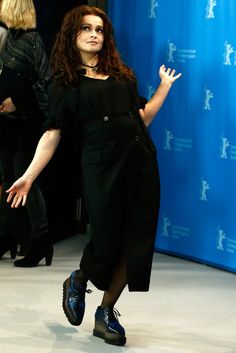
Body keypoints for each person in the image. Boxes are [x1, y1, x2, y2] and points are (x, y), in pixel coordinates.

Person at [6, 5, 181, 346]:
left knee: (137, 243)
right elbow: (52, 135)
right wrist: (28, 176)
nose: (94, 34)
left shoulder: (123, 75)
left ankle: (105, 313)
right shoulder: (64, 83)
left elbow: (141, 119)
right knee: (105, 239)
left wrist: (164, 88)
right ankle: (79, 278)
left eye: (100, 30)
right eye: (86, 28)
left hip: (141, 162)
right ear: (73, 35)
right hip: (100, 166)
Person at [0, 0, 52, 266]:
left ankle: (41, 240)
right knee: (6, 178)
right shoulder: (9, 38)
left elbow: (44, 83)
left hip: (26, 123)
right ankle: (6, 235)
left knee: (26, 181)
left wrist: (18, 103)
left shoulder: (32, 40)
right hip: (6, 124)